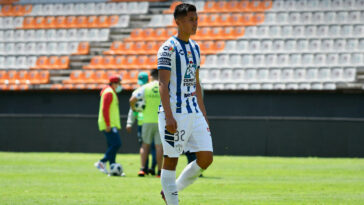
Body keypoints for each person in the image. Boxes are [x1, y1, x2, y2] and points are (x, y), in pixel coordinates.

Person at [157, 3, 213, 204]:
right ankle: (173, 200)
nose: (195, 23)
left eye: (196, 19)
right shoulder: (167, 48)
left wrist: (203, 115)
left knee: (206, 158)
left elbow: (196, 83)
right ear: (178, 22)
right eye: (191, 20)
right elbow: (162, 82)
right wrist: (169, 115)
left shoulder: (196, 47)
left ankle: (170, 190)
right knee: (171, 160)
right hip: (174, 112)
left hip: (194, 111)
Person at [130, 69, 163, 177]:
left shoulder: (145, 87)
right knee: (159, 147)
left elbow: (132, 100)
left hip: (147, 120)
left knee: (145, 145)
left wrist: (134, 109)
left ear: (151, 76)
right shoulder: (164, 86)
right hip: (161, 121)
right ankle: (159, 171)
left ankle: (142, 169)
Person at [94, 76, 123, 175]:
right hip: (109, 124)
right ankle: (102, 162)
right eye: (119, 84)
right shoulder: (109, 92)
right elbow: (104, 109)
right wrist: (108, 124)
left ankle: (112, 167)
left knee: (112, 145)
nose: (120, 86)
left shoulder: (110, 92)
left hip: (110, 123)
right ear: (114, 83)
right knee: (117, 143)